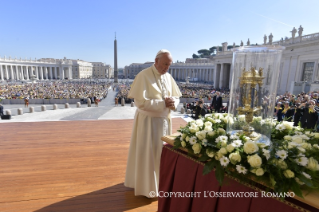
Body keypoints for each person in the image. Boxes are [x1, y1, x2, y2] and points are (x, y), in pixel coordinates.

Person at [124, 49, 182, 198]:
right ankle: (146, 187)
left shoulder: (168, 77)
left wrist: (173, 102)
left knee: (161, 155)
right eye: (164, 64)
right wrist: (163, 103)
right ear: (156, 61)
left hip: (164, 121)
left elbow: (176, 96)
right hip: (148, 123)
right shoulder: (143, 76)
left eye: (169, 65)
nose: (166, 68)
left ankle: (160, 184)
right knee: (148, 154)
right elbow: (140, 103)